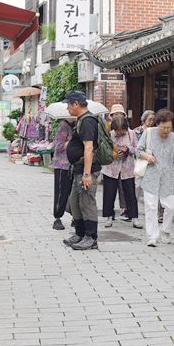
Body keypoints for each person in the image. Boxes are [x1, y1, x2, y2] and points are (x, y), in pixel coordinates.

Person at [135, 108, 174, 247]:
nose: (166, 131)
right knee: (150, 207)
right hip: (151, 176)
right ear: (157, 124)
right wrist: (147, 156)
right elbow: (138, 150)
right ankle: (152, 236)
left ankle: (165, 230)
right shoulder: (148, 133)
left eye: (169, 128)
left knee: (171, 206)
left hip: (168, 177)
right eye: (163, 127)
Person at [61, 91, 101, 251]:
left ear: (75, 104)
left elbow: (89, 147)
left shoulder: (87, 121)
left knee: (87, 202)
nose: (67, 109)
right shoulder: (80, 121)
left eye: (68, 105)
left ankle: (91, 238)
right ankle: (80, 233)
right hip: (78, 170)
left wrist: (86, 173)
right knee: (75, 201)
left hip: (86, 171)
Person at [102, 113, 138, 228]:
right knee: (109, 194)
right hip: (111, 168)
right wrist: (115, 151)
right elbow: (103, 148)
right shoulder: (109, 134)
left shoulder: (131, 134)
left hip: (127, 169)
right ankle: (109, 217)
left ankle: (135, 218)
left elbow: (138, 149)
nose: (119, 133)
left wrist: (128, 150)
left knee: (130, 193)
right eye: (118, 131)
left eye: (122, 130)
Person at [50, 118, 75, 231]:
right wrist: (72, 142)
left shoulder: (76, 126)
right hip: (62, 165)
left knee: (74, 193)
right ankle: (57, 218)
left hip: (74, 164)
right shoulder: (62, 126)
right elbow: (58, 146)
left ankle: (75, 218)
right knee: (61, 193)